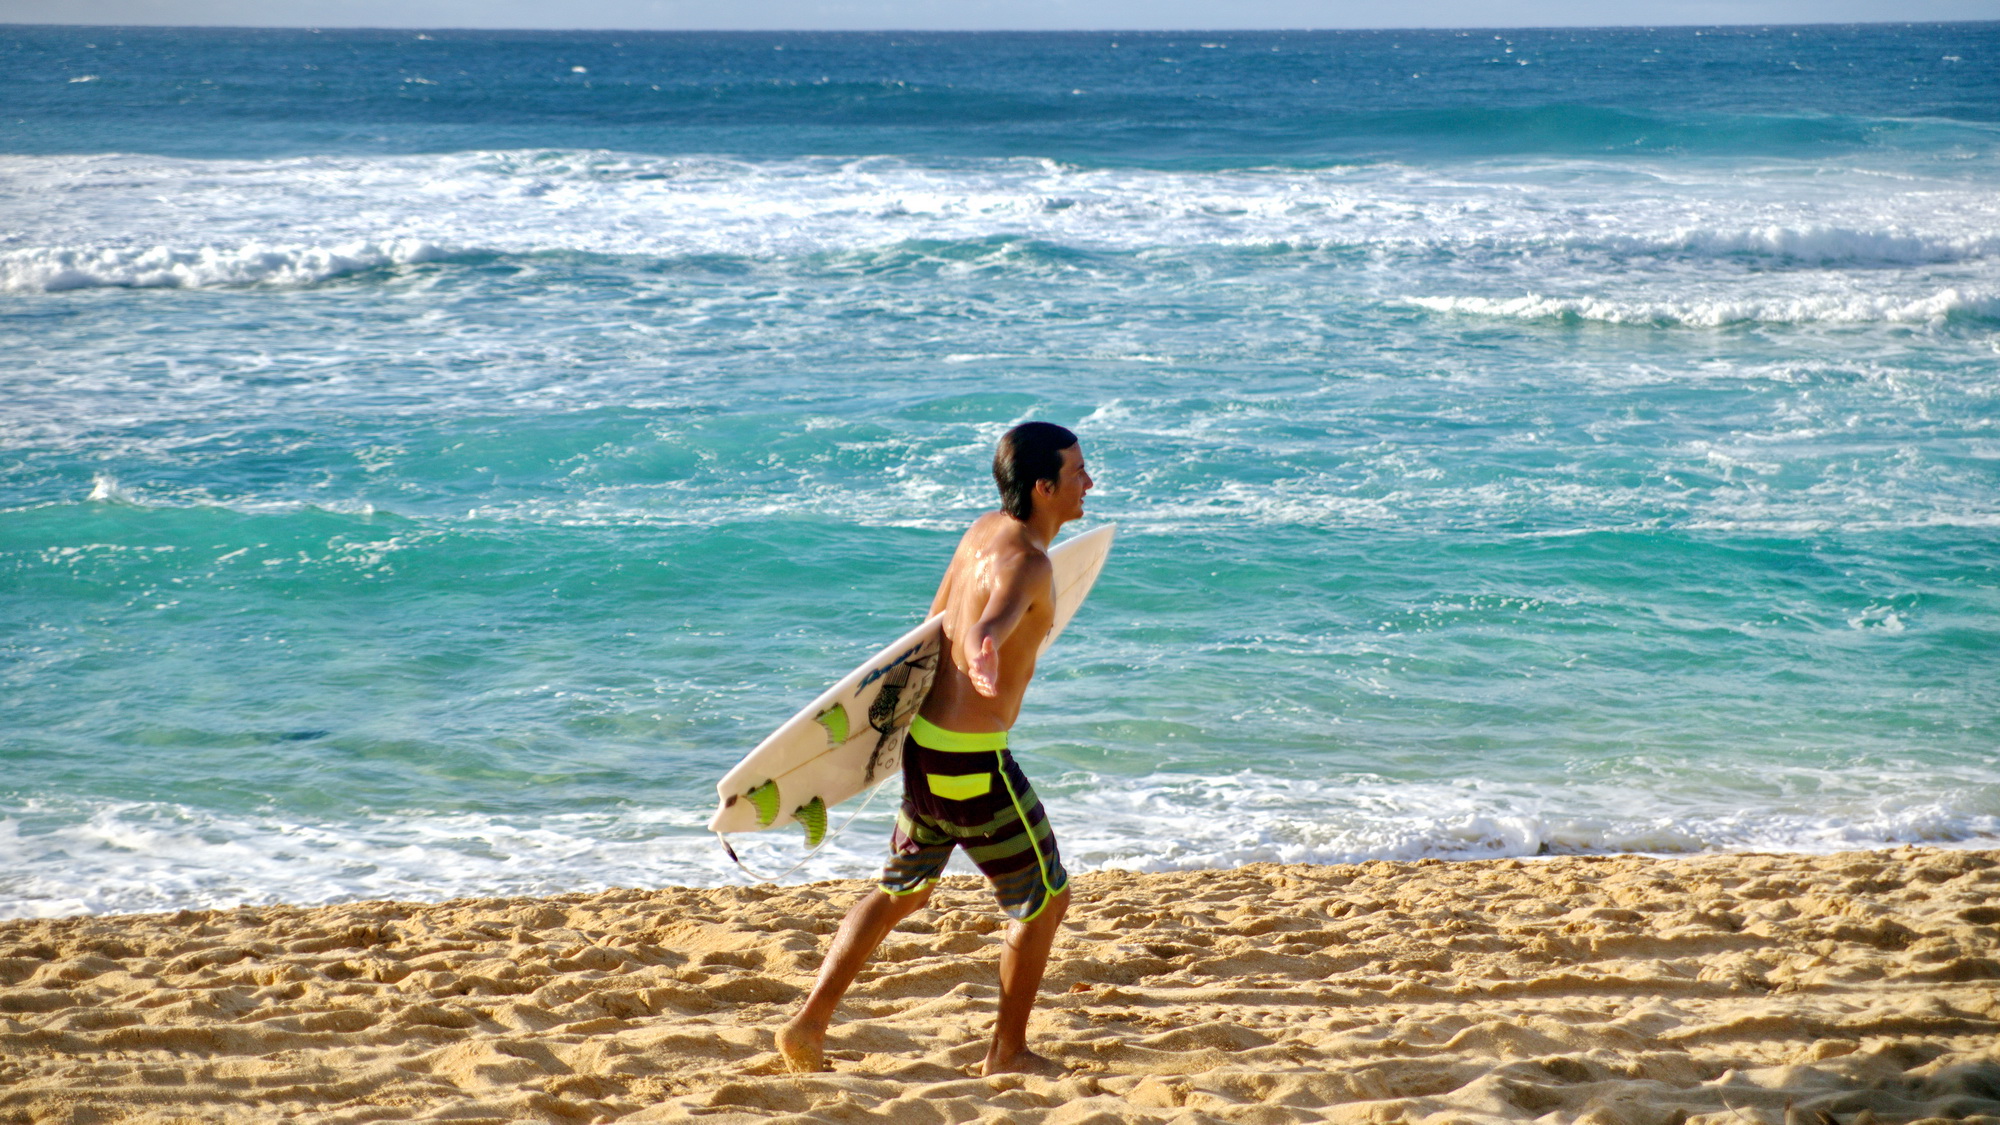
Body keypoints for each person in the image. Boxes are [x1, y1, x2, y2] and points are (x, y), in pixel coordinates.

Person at [777, 421, 1094, 1078]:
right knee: (1046, 897)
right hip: (973, 765)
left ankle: (808, 1022)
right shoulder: (1030, 562)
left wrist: (965, 648)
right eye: (1076, 472)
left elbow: (928, 629)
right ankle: (1007, 1051)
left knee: (902, 890)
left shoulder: (981, 531)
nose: (1088, 481)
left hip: (923, 751)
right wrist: (983, 649)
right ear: (1042, 487)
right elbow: (990, 620)